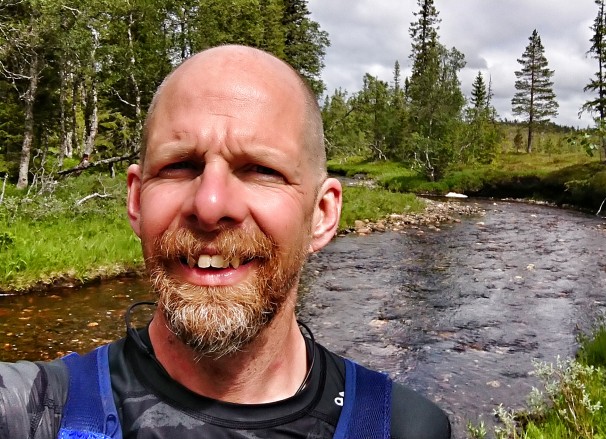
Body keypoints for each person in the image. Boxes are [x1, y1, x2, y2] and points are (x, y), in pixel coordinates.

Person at [0, 45, 451, 439]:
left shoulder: (403, 427)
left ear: (322, 214)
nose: (210, 205)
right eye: (179, 165)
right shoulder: (33, 410)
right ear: (136, 201)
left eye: (261, 170)